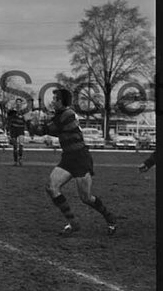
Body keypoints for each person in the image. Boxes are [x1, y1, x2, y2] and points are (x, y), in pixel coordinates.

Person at [28, 88, 116, 236]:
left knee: (86, 198)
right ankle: (73, 223)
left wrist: (31, 121)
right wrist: (32, 123)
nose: (53, 101)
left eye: (55, 99)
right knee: (51, 187)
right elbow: (44, 129)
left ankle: (110, 218)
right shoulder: (60, 115)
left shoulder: (67, 114)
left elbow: (45, 129)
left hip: (80, 158)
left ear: (61, 101)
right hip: (68, 158)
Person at [6, 98, 28, 166]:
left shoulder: (24, 112)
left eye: (19, 102)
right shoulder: (12, 111)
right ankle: (15, 161)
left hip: (20, 129)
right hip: (13, 129)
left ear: (21, 104)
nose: (18, 103)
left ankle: (20, 158)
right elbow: (8, 116)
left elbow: (26, 120)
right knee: (15, 146)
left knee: (21, 144)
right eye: (17, 102)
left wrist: (24, 117)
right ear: (16, 103)